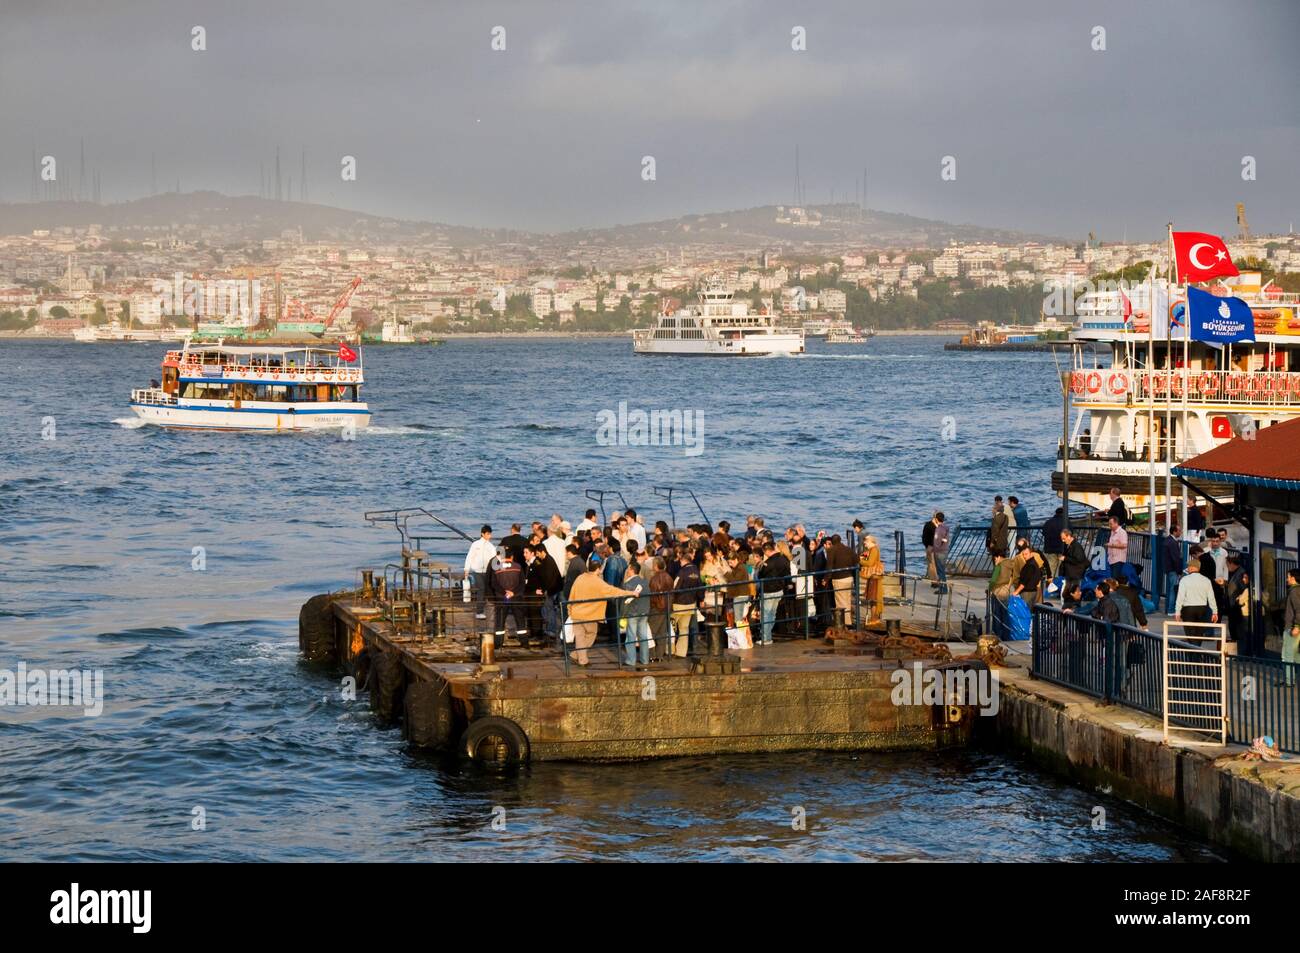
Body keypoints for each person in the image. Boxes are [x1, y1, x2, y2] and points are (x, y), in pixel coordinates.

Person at [566, 556, 641, 667]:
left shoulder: (580, 578)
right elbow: (613, 591)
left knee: (580, 637)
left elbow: (571, 595)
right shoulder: (598, 582)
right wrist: (631, 593)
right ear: (598, 569)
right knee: (591, 634)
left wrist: (569, 610)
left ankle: (578, 656)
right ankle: (580, 658)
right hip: (590, 615)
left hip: (576, 613)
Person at [488, 547, 526, 648]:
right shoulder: (518, 566)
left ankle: (498, 643)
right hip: (516, 597)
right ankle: (524, 642)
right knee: (520, 620)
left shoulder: (497, 568)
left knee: (500, 621)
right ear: (512, 557)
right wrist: (513, 592)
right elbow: (522, 583)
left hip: (502, 597)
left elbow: (494, 583)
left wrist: (504, 592)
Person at [1175, 557, 1218, 636]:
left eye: (1188, 567)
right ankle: (1196, 646)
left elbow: (1180, 597)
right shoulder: (1206, 580)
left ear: (1191, 567)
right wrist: (1215, 612)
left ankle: (1193, 646)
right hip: (1202, 609)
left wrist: (1177, 612)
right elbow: (1211, 598)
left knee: (1190, 633)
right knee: (1199, 632)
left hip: (1188, 609)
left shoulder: (1184, 580)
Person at [756, 541, 789, 645]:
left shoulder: (768, 563)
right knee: (772, 614)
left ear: (765, 551)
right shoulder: (783, 558)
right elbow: (786, 572)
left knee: (766, 615)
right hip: (779, 590)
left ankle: (766, 638)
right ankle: (768, 636)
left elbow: (761, 575)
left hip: (768, 591)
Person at [671, 550, 702, 656]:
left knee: (671, 627)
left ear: (683, 560)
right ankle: (681, 652)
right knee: (684, 629)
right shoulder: (696, 571)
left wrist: (670, 599)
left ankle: (670, 650)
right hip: (691, 603)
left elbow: (675, 587)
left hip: (678, 604)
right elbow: (700, 587)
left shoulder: (682, 572)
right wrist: (701, 599)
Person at [622, 562, 652, 668]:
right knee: (643, 636)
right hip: (644, 611)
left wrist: (622, 614)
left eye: (628, 569)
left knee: (631, 636)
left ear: (631, 570)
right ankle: (644, 659)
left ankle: (631, 660)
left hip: (633, 612)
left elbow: (625, 601)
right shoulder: (644, 582)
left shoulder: (627, 584)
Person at [463, 524, 495, 621]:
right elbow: (470, 556)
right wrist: (466, 569)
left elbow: (494, 558)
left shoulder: (491, 546)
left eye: (490, 534)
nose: (490, 536)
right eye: (488, 534)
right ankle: (479, 612)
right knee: (481, 589)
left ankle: (485, 608)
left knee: (486, 590)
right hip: (477, 571)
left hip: (487, 571)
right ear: (483, 534)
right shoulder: (475, 544)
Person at [825, 534, 857, 628]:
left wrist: (826, 579)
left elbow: (829, 566)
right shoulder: (848, 549)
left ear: (832, 542)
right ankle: (849, 622)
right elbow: (857, 559)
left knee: (840, 603)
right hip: (849, 578)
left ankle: (844, 624)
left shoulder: (831, 550)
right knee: (847, 601)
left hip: (838, 579)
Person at [859, 535, 885, 624]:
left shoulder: (874, 550)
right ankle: (873, 617)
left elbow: (870, 563)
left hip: (874, 576)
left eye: (865, 543)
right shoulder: (870, 550)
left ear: (870, 542)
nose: (865, 545)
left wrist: (860, 561)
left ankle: (874, 618)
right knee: (871, 598)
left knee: (873, 597)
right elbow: (865, 558)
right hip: (872, 576)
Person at [1282, 569, 1300, 686]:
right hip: (1295, 627)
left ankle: (1289, 681)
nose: (1287, 579)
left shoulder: (1294, 592)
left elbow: (1299, 609)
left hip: (1292, 628)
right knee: (1297, 656)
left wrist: (1297, 626)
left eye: (1288, 576)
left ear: (1293, 578)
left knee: (1287, 655)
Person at [1161, 526, 1183, 612]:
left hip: (1169, 568)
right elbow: (1176, 558)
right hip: (1173, 569)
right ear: (1174, 532)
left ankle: (1170, 609)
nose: (1180, 532)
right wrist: (1179, 571)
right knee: (1173, 589)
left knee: (1172, 589)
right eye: (1179, 531)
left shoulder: (1167, 540)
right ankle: (1171, 610)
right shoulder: (1173, 542)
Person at [1041, 507, 1065, 579]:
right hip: (1062, 548)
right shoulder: (1066, 522)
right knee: (1062, 568)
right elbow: (1071, 532)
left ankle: (1052, 584)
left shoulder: (1048, 522)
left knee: (1051, 569)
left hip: (1050, 548)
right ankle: (1060, 584)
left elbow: (1044, 532)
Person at [931, 512, 950, 595]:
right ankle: (943, 587)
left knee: (940, 571)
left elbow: (936, 541)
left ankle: (943, 589)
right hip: (945, 550)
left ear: (936, 519)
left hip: (939, 552)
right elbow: (945, 539)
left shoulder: (938, 529)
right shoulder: (946, 528)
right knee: (942, 570)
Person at [1105, 516, 1128, 580]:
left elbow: (1124, 545)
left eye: (1111, 524)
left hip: (1118, 559)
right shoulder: (1112, 532)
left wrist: (1112, 545)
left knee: (1115, 578)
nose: (1109, 525)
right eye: (1109, 524)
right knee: (1113, 578)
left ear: (1116, 523)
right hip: (1112, 559)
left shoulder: (1122, 532)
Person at [921, 513, 937, 581]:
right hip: (931, 546)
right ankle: (934, 580)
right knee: (932, 564)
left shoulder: (927, 525)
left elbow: (924, 537)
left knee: (931, 564)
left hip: (930, 546)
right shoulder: (931, 526)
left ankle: (933, 579)